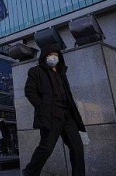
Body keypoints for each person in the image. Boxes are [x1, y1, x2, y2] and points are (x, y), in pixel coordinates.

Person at [22, 45, 86, 176]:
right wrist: (42, 106)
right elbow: (29, 91)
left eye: (56, 55)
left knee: (77, 147)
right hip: (50, 116)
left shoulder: (62, 73)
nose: (53, 57)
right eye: (50, 54)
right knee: (46, 148)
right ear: (44, 57)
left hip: (68, 116)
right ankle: (29, 173)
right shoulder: (36, 71)